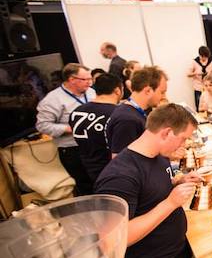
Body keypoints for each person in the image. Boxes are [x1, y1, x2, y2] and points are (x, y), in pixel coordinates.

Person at [95, 103, 201, 258]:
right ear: (166, 132)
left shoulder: (156, 156)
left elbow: (155, 188)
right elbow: (111, 240)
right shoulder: (120, 175)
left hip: (175, 252)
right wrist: (170, 203)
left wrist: (178, 181)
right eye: (183, 139)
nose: (183, 145)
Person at [36, 63, 96, 195]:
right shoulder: (52, 100)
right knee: (86, 186)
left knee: (100, 180)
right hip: (73, 150)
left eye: (90, 79)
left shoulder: (91, 92)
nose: (89, 83)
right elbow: (42, 125)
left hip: (94, 145)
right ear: (72, 80)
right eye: (85, 80)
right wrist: (70, 128)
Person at [68, 73, 123, 182]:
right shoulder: (118, 114)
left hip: (89, 169)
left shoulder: (76, 112)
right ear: (117, 90)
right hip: (114, 170)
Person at [106, 66, 168, 157]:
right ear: (148, 91)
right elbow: (120, 160)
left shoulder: (134, 111)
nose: (164, 97)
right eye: (162, 92)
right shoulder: (127, 120)